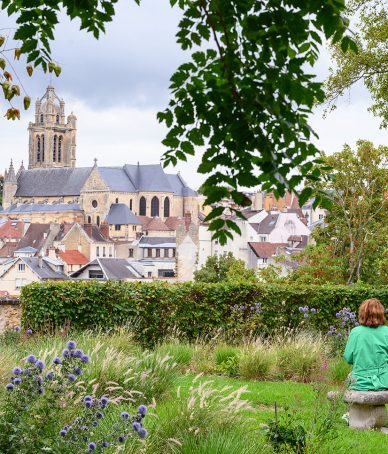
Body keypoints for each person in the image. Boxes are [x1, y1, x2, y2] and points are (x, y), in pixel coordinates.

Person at [344, 298, 388, 391]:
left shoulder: (355, 332)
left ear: (362, 313)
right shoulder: (386, 332)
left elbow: (348, 358)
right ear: (381, 314)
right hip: (384, 382)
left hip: (360, 383)